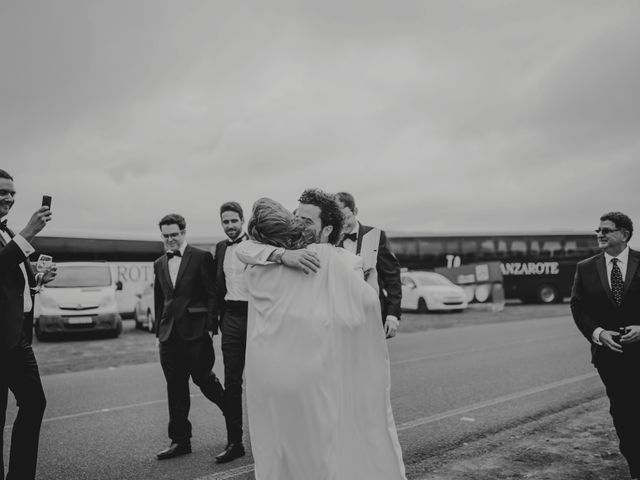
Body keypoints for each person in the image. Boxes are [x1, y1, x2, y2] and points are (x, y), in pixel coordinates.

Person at [236, 192, 407, 480]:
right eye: (295, 217)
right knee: (320, 451)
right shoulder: (337, 261)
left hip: (267, 377)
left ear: (327, 229)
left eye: (305, 219)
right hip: (313, 376)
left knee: (280, 451)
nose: (298, 223)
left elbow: (243, 250)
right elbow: (364, 309)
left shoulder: (258, 266)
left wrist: (278, 254)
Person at [571, 211, 640, 479]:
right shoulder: (585, 268)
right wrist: (599, 333)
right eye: (598, 230)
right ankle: (636, 468)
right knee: (623, 413)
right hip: (610, 356)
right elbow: (578, 307)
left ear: (623, 234)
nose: (599, 234)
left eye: (606, 230)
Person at [153, 214, 226, 460]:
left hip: (196, 333)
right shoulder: (159, 263)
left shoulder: (201, 257)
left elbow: (211, 294)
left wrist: (210, 327)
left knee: (204, 380)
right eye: (166, 236)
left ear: (184, 232)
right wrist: (157, 333)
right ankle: (180, 441)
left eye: (174, 234)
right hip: (168, 336)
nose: (170, 239)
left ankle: (232, 417)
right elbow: (160, 299)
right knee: (175, 388)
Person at [0, 169, 56, 480]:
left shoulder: (6, 233)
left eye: (11, 193)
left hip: (17, 339)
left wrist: (36, 279)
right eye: (1, 192)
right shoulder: (17, 235)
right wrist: (28, 232)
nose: (8, 198)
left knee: (34, 403)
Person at [335, 192, 402, 338]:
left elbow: (392, 276)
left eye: (346, 217)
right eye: (338, 220)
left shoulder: (375, 236)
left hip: (374, 312)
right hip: (342, 317)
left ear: (355, 211)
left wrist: (392, 315)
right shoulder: (331, 241)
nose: (343, 224)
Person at [212, 201, 248, 463]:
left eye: (234, 221)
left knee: (266, 379)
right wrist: (214, 323)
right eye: (225, 222)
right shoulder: (221, 247)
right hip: (231, 318)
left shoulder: (257, 244)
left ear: (242, 220)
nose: (230, 226)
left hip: (258, 316)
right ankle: (235, 442)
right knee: (232, 382)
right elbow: (216, 286)